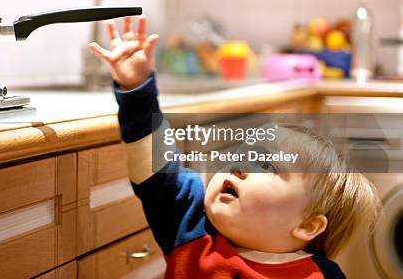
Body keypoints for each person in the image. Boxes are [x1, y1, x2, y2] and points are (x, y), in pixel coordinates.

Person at [88, 16, 380, 279]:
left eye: (267, 166)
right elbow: (156, 170)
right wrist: (138, 88)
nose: (239, 165)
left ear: (307, 226)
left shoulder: (320, 276)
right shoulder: (189, 225)